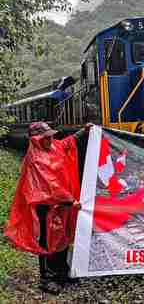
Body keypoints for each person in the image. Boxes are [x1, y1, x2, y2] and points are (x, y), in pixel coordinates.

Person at [4, 122, 91, 295]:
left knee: (63, 237)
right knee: (46, 241)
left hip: (61, 205)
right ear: (36, 140)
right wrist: (70, 200)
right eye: (46, 137)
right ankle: (47, 278)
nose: (51, 139)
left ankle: (61, 271)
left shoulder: (53, 147)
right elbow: (49, 185)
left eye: (51, 135)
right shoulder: (35, 158)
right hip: (46, 207)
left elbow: (67, 142)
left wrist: (84, 131)